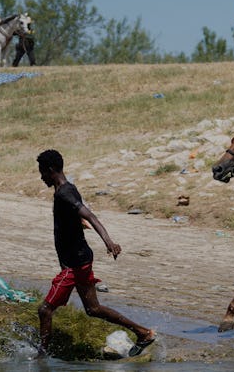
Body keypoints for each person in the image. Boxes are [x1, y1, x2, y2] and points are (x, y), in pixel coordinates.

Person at [36, 149, 155, 357]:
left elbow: (89, 215)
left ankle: (41, 357)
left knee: (45, 310)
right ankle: (143, 333)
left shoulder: (65, 193)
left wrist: (108, 241)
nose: (41, 177)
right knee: (93, 309)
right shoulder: (67, 189)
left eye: (42, 172)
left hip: (74, 265)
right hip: (80, 259)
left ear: (50, 169)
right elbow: (80, 218)